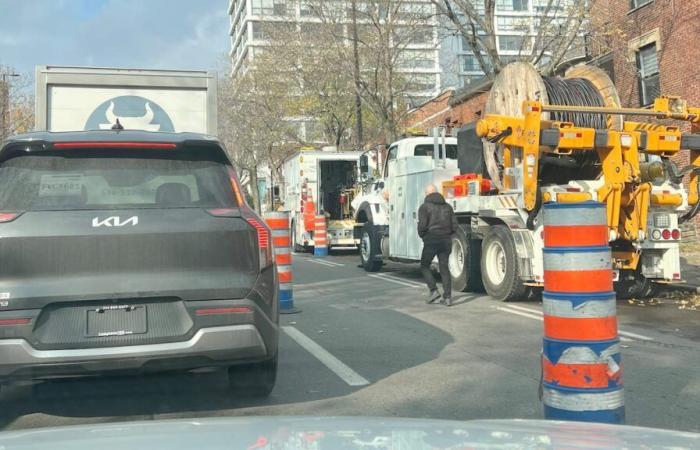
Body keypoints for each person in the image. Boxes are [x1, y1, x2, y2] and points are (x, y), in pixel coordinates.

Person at [417, 184, 458, 306]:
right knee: (444, 268)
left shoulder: (424, 207)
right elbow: (455, 226)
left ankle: (433, 290)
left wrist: (424, 237)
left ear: (427, 194)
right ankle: (448, 297)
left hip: (431, 240)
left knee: (424, 266)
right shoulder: (448, 207)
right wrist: (447, 235)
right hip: (446, 241)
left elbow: (422, 226)